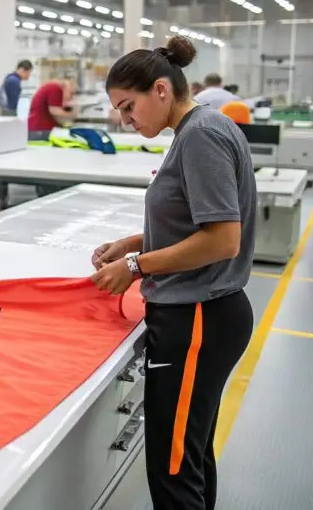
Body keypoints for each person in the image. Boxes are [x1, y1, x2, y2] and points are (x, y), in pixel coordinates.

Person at [89, 35, 256, 510]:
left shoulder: (201, 135)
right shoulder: (198, 130)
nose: (124, 119)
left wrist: (135, 266)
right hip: (204, 314)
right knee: (192, 455)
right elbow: (195, 219)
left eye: (128, 105)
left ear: (161, 90)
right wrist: (134, 242)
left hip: (199, 318)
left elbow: (223, 238)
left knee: (173, 469)